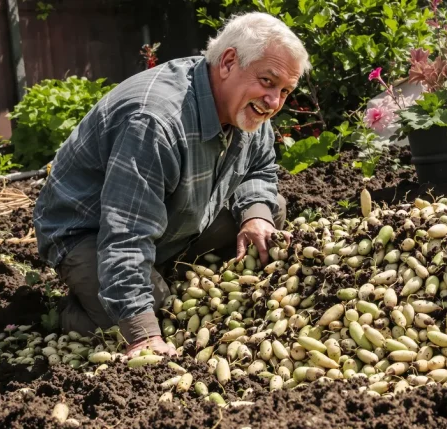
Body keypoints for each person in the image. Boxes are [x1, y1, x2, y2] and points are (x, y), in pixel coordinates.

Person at [33, 12, 310, 357]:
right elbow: (126, 234)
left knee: (268, 216)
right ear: (227, 62)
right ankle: (72, 313)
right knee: (152, 316)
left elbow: (259, 167)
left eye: (285, 90)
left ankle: (159, 275)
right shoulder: (156, 121)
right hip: (91, 231)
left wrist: (255, 215)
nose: (274, 102)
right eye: (268, 82)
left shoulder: (247, 106)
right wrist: (142, 334)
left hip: (171, 218)